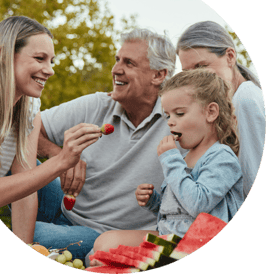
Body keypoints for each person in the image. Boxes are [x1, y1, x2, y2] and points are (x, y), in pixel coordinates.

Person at [37, 28, 188, 258]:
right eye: (117, 60)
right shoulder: (97, 104)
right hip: (65, 203)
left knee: (33, 234)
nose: (116, 70)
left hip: (101, 234)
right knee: (7, 154)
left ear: (159, 75)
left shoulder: (179, 122)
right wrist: (59, 157)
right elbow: (27, 128)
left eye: (128, 63)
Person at [0, 16, 101, 253]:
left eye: (51, 61)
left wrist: (26, 249)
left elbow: (26, 192)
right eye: (39, 59)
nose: (49, 70)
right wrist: (61, 161)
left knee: (91, 238)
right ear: (3, 55)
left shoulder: (28, 108)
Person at [91, 69, 244, 256]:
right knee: (99, 247)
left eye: (179, 113)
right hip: (171, 236)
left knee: (105, 248)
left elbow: (198, 204)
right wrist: (154, 202)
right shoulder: (184, 157)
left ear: (211, 112)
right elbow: (177, 211)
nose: (170, 122)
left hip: (196, 244)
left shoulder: (222, 157)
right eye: (167, 116)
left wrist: (171, 160)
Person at [176, 21, 265, 198]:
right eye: (187, 72)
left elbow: (253, 177)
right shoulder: (219, 106)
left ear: (230, 57)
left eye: (201, 67)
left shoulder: (245, 99)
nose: (194, 78)